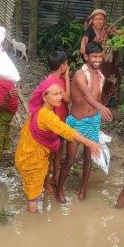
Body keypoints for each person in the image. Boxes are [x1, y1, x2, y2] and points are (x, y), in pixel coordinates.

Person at [15, 78, 101, 213]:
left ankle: (37, 200)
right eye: (55, 94)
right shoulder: (47, 116)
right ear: (44, 97)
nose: (60, 97)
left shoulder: (43, 110)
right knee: (33, 196)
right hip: (31, 160)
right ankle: (32, 223)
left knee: (33, 188)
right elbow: (66, 130)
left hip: (30, 155)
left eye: (60, 93)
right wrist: (89, 142)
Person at [56, 42, 113, 202]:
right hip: (77, 123)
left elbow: (97, 96)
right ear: (86, 56)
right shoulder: (81, 75)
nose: (98, 59)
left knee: (89, 157)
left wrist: (99, 110)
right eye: (94, 56)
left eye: (100, 56)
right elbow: (88, 96)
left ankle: (82, 190)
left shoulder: (100, 75)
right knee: (70, 158)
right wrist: (101, 107)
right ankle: (59, 191)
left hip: (93, 121)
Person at [80, 9, 119, 104]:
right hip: (96, 60)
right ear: (92, 20)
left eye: (101, 19)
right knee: (98, 78)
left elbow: (119, 36)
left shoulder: (108, 29)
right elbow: (83, 44)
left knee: (112, 76)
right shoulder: (89, 30)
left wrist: (117, 32)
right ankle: (95, 99)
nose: (99, 21)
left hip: (108, 60)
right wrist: (85, 52)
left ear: (105, 20)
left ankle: (107, 98)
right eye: (96, 19)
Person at [46, 51, 70, 186]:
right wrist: (67, 78)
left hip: (59, 121)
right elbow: (68, 98)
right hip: (56, 122)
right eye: (66, 63)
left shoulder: (49, 78)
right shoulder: (57, 81)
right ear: (62, 66)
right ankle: (50, 180)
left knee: (56, 151)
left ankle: (53, 178)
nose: (68, 65)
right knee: (54, 152)